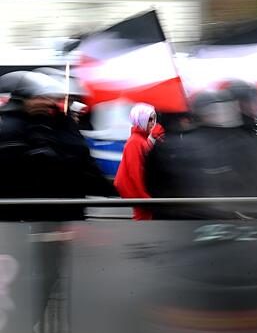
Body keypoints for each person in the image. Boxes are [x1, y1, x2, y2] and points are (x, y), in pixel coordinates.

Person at [0, 71, 116, 221]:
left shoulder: (63, 123)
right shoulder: (14, 126)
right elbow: (21, 170)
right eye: (40, 97)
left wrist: (106, 187)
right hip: (30, 214)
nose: (49, 102)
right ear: (25, 99)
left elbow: (83, 161)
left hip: (66, 209)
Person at [145, 90, 257, 219]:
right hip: (227, 218)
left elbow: (153, 186)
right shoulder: (244, 142)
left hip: (182, 219)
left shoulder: (171, 144)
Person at [114, 103, 157, 220]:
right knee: (143, 221)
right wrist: (144, 197)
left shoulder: (140, 139)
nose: (153, 122)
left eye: (154, 119)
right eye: (149, 119)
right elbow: (136, 172)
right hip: (138, 194)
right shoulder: (136, 141)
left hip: (139, 194)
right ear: (141, 120)